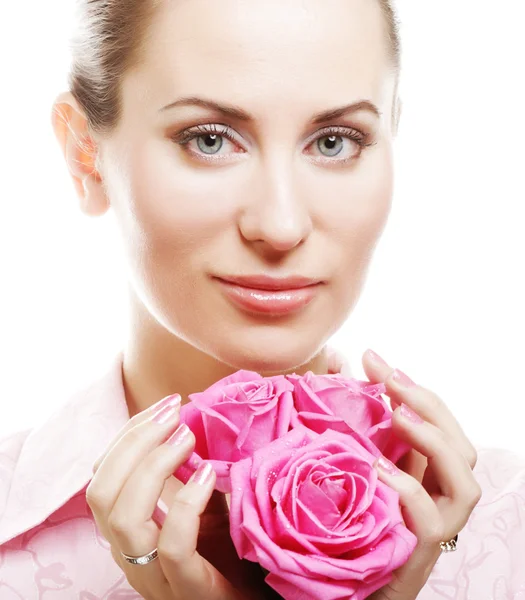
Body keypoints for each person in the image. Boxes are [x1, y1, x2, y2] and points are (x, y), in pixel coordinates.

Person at [0, 0, 523, 598]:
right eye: (210, 139)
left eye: (334, 141)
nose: (280, 225)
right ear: (84, 156)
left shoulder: (506, 538)